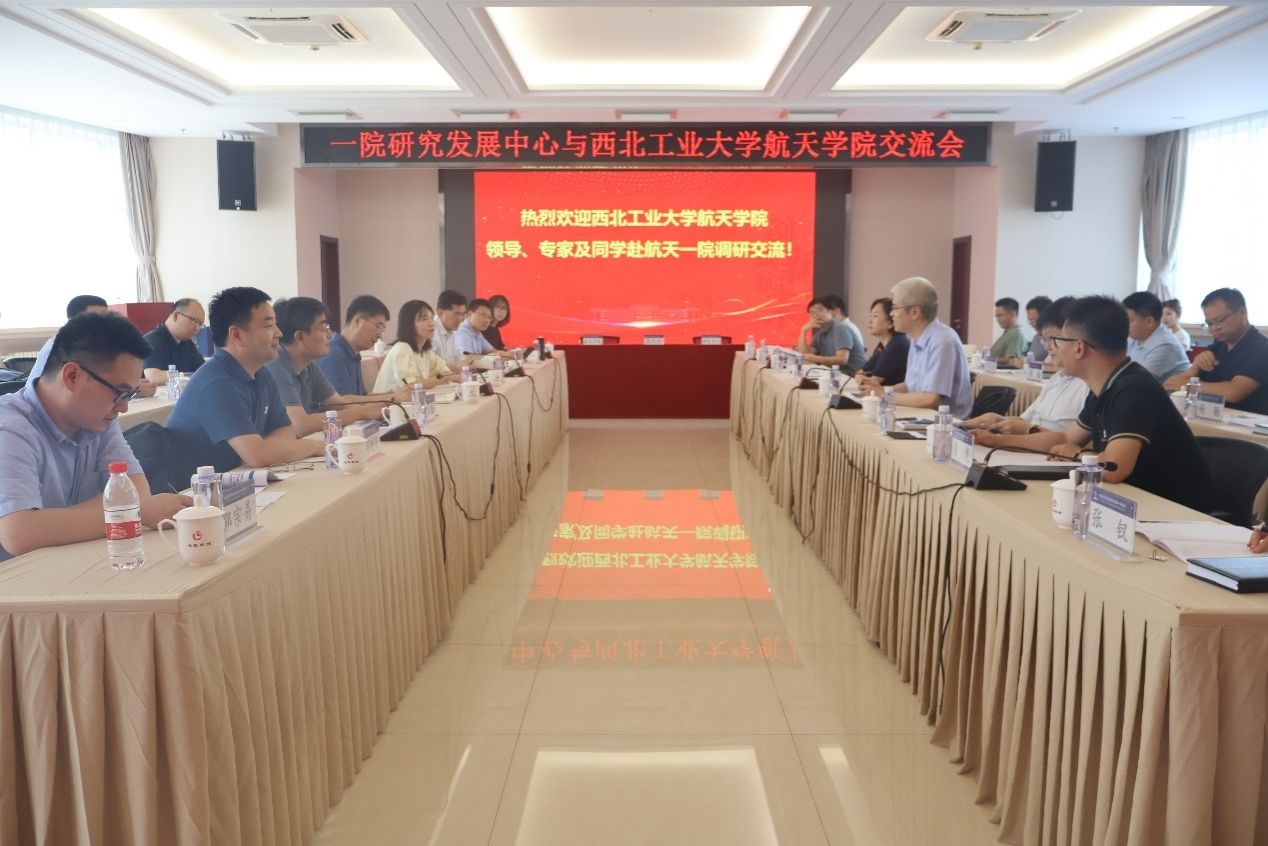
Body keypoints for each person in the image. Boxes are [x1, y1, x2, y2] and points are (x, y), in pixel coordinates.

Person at [973, 295, 1212, 512]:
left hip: (1176, 510)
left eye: (1059, 340)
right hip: (1134, 499)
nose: (1055, 349)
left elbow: (1114, 467)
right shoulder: (1105, 385)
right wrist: (997, 441)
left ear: (1079, 348)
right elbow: (1065, 437)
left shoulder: (1134, 388)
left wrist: (1078, 454)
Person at [0, 313, 188, 561]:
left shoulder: (96, 419)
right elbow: (19, 534)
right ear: (72, 376)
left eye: (130, 395)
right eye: (119, 393)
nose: (124, 408)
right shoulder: (10, 429)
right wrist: (133, 514)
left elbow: (135, 490)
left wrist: (50, 523)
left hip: (69, 560)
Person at [165, 286, 326, 473]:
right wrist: (313, 446)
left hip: (235, 478)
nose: (279, 333)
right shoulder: (217, 383)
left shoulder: (262, 374)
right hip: (193, 486)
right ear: (237, 335)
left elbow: (285, 431)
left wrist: (266, 450)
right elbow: (257, 456)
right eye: (268, 325)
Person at [265, 298, 410, 437]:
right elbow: (300, 426)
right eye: (323, 327)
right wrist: (362, 412)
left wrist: (380, 410)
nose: (330, 334)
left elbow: (338, 404)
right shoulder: (275, 365)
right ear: (300, 337)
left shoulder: (308, 365)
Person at [960, 297, 1088, 434]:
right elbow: (1025, 420)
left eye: (1053, 339)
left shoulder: (1088, 388)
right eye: (1045, 340)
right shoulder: (1056, 379)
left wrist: (997, 439)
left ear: (1078, 342)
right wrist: (997, 419)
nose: (1047, 347)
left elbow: (1069, 441)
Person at [860, 277, 972, 418]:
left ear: (914, 312)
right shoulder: (916, 338)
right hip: (922, 417)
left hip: (945, 425)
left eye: (895, 308)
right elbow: (910, 386)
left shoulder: (942, 341)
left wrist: (884, 395)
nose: (891, 314)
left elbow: (930, 399)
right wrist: (881, 390)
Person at [1164, 287, 1268, 414]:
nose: (1214, 328)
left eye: (1219, 321)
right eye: (1209, 323)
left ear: (1242, 312)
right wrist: (1196, 365)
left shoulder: (1262, 348)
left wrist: (1189, 386)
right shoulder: (1218, 346)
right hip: (1209, 418)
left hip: (1246, 424)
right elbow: (1171, 383)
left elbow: (1233, 393)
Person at [30, 296, 157, 398]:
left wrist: (128, 385)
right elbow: (64, 394)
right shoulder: (60, 348)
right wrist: (130, 391)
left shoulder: (98, 347)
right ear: (74, 320)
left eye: (106, 317)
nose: (105, 325)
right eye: (96, 318)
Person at [374, 300, 462, 392]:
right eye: (424, 319)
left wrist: (461, 378)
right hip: (388, 401)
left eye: (432, 318)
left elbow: (445, 372)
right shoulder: (402, 349)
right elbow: (411, 386)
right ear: (409, 324)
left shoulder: (425, 351)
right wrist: (444, 379)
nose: (432, 323)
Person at [317, 295, 390, 396]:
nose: (380, 335)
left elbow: (362, 397)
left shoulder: (353, 353)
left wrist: (392, 396)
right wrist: (390, 398)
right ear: (358, 321)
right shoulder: (334, 354)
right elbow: (343, 402)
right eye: (378, 326)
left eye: (383, 330)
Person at [1123, 291, 1190, 381]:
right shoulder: (1134, 337)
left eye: (1129, 320)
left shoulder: (1165, 345)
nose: (1124, 324)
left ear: (1149, 322)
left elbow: (1136, 381)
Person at [142, 298, 207, 384]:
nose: (197, 328)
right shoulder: (152, 340)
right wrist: (187, 376)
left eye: (200, 324)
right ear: (176, 316)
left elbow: (204, 371)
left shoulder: (188, 344)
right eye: (194, 321)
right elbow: (153, 377)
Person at [796, 297, 866, 373]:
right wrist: (803, 331)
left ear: (830, 312)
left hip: (853, 375)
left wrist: (816, 358)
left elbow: (842, 359)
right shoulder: (819, 334)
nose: (816, 315)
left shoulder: (840, 328)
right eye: (812, 313)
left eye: (820, 310)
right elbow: (805, 356)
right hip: (835, 373)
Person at [858, 297, 909, 386]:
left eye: (875, 316)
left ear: (890, 323)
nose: (870, 321)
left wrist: (863, 378)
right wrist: (861, 377)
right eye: (870, 316)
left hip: (894, 394)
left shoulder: (897, 344)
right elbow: (861, 372)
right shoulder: (883, 344)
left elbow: (872, 382)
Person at [432, 289, 477, 365]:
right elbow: (430, 365)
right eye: (457, 314)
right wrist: (455, 366)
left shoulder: (451, 330)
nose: (461, 319)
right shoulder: (430, 331)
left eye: (463, 314)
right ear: (441, 313)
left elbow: (459, 358)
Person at [822, 294, 866, 359]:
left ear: (836, 311)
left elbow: (841, 359)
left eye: (823, 311)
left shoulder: (844, 328)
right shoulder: (838, 327)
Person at [1020, 296, 1053, 364]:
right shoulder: (1036, 337)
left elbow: (1054, 366)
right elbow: (1031, 360)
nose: (1032, 324)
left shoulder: (1056, 339)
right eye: (1030, 320)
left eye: (1034, 319)